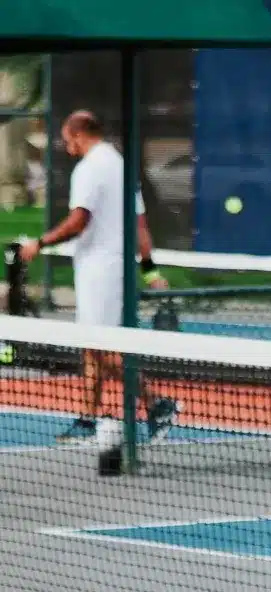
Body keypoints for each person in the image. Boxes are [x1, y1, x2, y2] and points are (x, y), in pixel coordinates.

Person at [19, 110, 179, 445]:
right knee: (92, 349)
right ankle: (89, 419)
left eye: (66, 140)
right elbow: (140, 227)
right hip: (110, 270)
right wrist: (150, 271)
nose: (66, 147)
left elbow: (79, 221)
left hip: (100, 272)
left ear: (78, 134)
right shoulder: (121, 165)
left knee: (103, 349)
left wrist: (40, 243)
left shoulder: (90, 168)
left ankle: (157, 404)